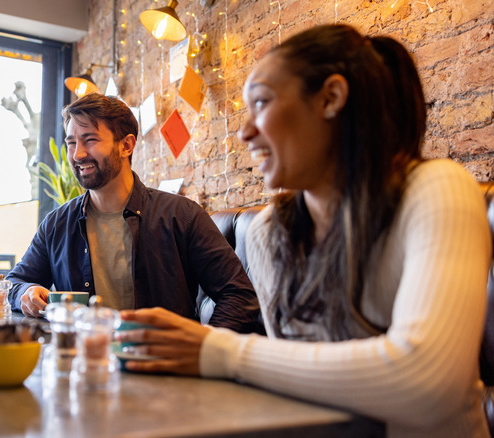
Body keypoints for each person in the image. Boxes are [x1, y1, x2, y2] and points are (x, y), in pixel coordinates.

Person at [117, 24, 491, 437]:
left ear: (331, 98)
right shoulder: (269, 234)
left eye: (261, 103)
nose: (245, 132)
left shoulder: (437, 190)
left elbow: (428, 384)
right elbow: (299, 386)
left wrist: (215, 351)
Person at [7, 93, 262, 333]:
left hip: (159, 368)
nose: (77, 154)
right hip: (83, 363)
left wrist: (200, 349)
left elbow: (239, 297)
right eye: (71, 142)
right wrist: (25, 292)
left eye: (90, 140)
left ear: (126, 145)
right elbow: (16, 282)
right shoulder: (57, 224)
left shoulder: (182, 215)